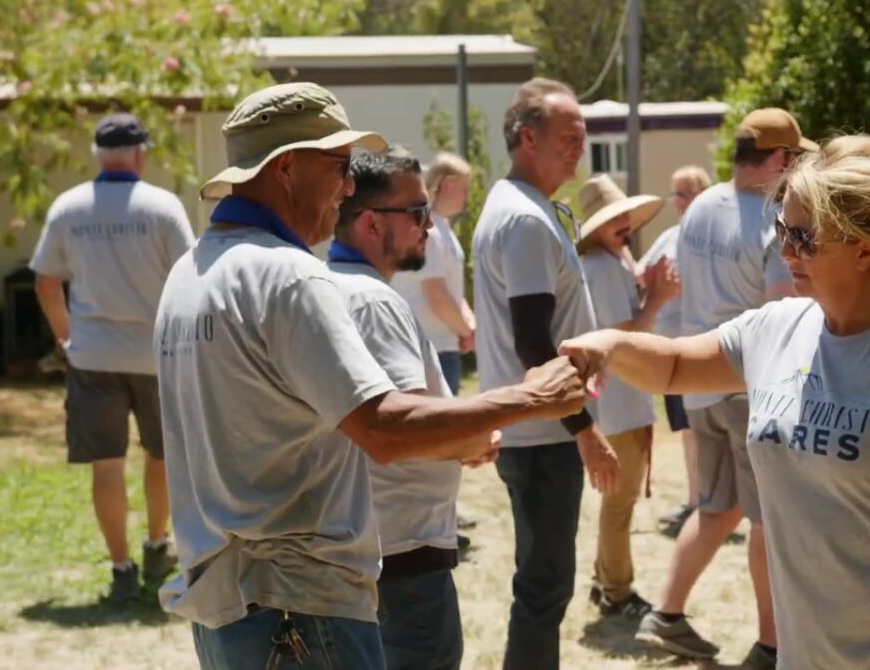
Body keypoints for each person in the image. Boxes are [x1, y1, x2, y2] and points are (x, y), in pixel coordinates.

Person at [153, 82, 586, 669]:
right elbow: (383, 429)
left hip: (229, 608)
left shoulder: (192, 271)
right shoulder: (288, 275)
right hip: (298, 610)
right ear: (285, 170)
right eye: (338, 166)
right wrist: (529, 398)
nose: (349, 186)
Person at [561, 134, 870, 669]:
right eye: (781, 229)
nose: (786, 250)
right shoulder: (778, 328)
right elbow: (675, 366)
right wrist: (607, 345)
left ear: (866, 250)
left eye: (804, 236)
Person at [631, 108, 812, 667]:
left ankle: (666, 616)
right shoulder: (772, 218)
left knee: (717, 508)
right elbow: (785, 308)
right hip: (746, 388)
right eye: (796, 157)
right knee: (765, 518)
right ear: (779, 159)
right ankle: (771, 645)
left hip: (698, 381)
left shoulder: (702, 204)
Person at [471, 76, 620, 670]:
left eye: (583, 135)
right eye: (569, 135)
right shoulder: (525, 220)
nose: (580, 146)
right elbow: (534, 342)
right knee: (544, 588)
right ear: (527, 138)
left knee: (544, 583)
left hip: (538, 433)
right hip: (543, 436)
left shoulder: (528, 209)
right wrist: (585, 430)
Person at [326, 152, 486, 670]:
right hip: (402, 557)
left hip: (376, 550)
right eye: (419, 212)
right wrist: (473, 435)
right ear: (370, 222)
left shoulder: (332, 285)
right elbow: (405, 428)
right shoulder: (373, 301)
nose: (430, 226)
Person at [30, 113, 194, 602]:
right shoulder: (163, 207)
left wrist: (65, 338)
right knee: (161, 457)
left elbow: (45, 280)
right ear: (140, 153)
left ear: (98, 154)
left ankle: (121, 570)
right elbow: (190, 275)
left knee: (107, 465)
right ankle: (156, 545)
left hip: (93, 355)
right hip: (157, 354)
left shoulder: (69, 207)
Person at [576, 174, 680, 618]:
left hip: (624, 399)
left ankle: (607, 580)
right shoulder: (601, 266)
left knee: (618, 501)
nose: (623, 223)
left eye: (624, 215)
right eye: (612, 217)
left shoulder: (610, 260)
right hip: (618, 402)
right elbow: (619, 335)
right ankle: (617, 591)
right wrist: (656, 300)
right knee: (619, 503)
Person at [642, 165, 713, 539]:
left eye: (685, 193)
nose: (679, 201)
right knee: (687, 431)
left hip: (698, 349)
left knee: (702, 432)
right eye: (676, 194)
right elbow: (642, 272)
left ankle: (707, 504)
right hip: (670, 349)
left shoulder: (708, 238)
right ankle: (695, 500)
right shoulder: (670, 236)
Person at [391, 152, 475, 396]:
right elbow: (436, 295)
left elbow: (452, 291)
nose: (466, 196)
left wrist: (468, 325)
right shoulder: (431, 232)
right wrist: (466, 331)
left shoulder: (441, 228)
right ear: (447, 184)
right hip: (431, 347)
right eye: (464, 188)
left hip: (441, 345)